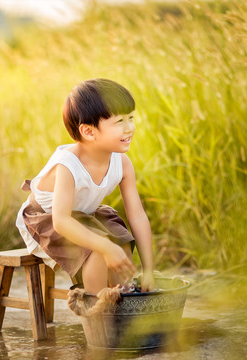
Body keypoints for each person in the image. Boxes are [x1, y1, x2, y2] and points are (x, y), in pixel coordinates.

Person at [16, 78, 155, 294]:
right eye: (119, 122)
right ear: (89, 131)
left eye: (131, 118)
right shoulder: (68, 164)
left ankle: (122, 300)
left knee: (121, 241)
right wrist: (104, 246)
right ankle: (97, 312)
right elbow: (61, 221)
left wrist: (149, 270)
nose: (130, 128)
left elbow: (137, 216)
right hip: (44, 220)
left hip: (83, 215)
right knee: (97, 250)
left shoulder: (122, 163)